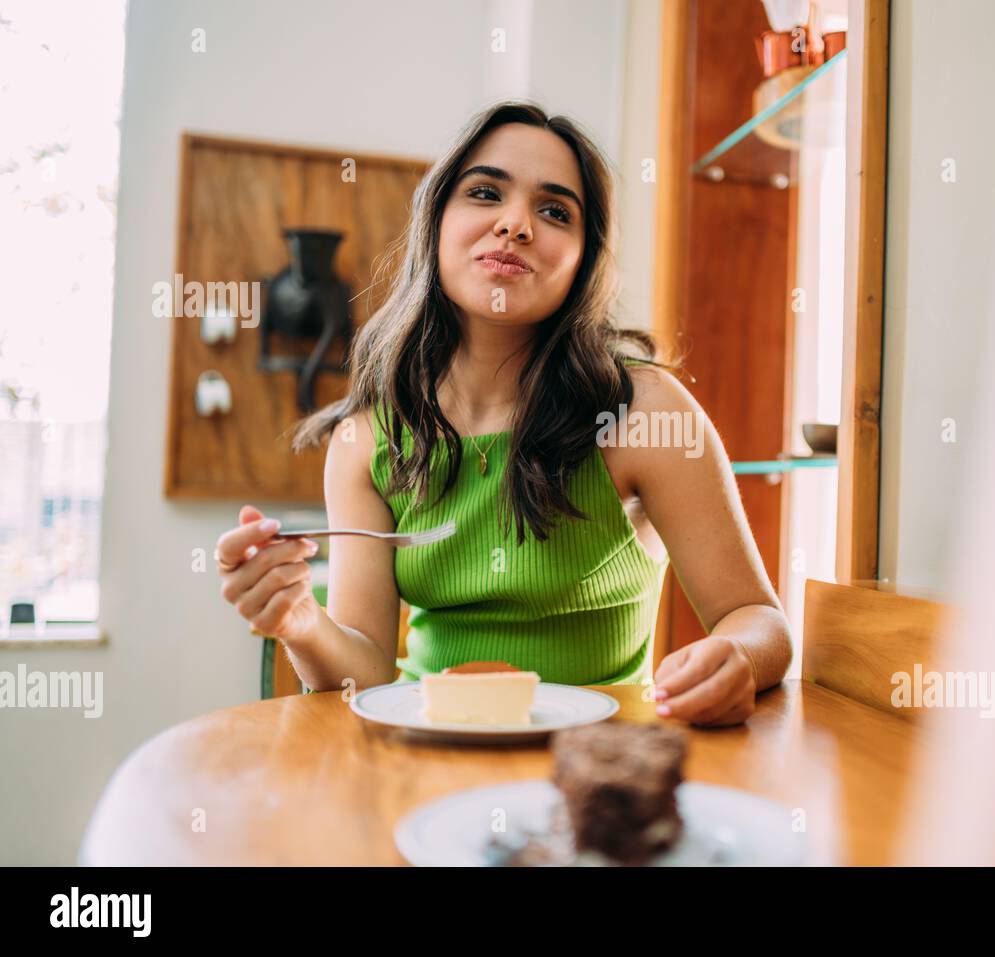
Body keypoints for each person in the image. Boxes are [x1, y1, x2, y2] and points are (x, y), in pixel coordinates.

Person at [215, 101, 792, 727]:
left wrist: (735, 654)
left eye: (553, 211)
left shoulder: (643, 413)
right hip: (425, 756)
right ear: (436, 222)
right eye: (486, 193)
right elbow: (369, 672)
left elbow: (759, 619)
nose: (515, 224)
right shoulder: (365, 438)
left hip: (594, 774)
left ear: (583, 259)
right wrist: (299, 621)